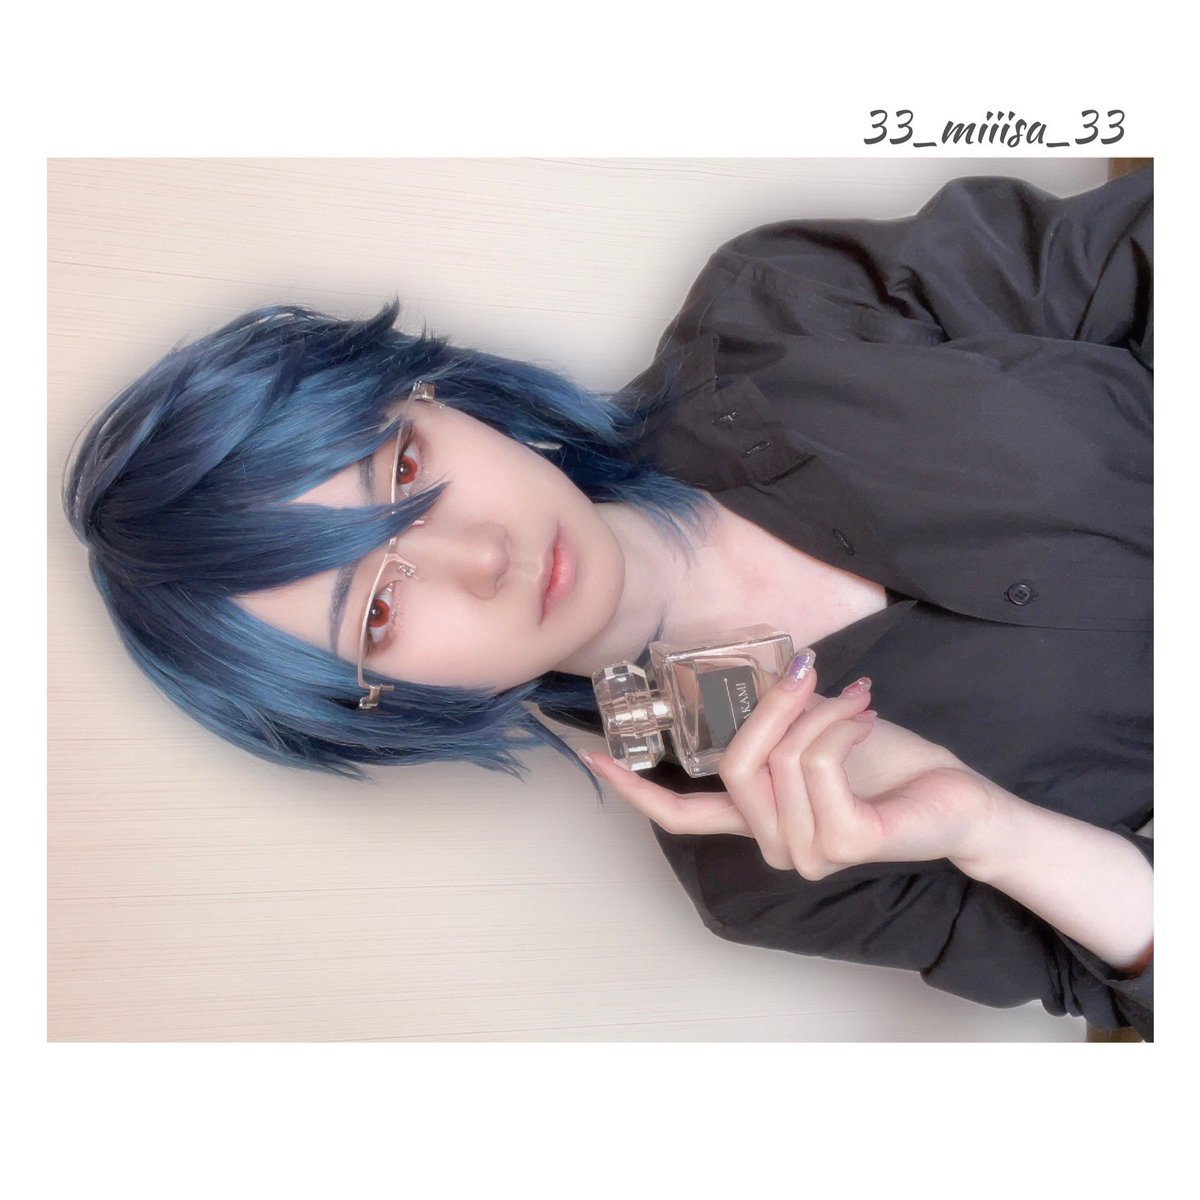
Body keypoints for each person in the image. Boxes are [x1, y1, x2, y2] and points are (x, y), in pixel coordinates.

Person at [63, 166, 1153, 1039]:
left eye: (403, 466)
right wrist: (992, 830)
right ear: (382, 704)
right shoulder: (766, 871)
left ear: (430, 395)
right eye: (379, 612)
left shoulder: (780, 309)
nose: (480, 556)